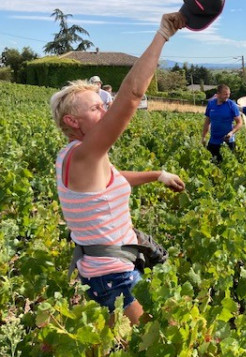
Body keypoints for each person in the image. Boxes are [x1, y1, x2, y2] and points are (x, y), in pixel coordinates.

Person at [50, 12, 187, 325]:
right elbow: (132, 96)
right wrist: (163, 33)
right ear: (73, 121)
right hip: (112, 278)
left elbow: (111, 180)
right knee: (154, 340)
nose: (106, 108)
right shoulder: (85, 154)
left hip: (113, 270)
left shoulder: (76, 156)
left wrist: (156, 176)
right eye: (97, 106)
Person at [202, 84, 243, 163]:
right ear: (218, 94)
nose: (227, 96)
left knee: (228, 164)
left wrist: (231, 133)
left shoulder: (232, 105)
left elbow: (239, 122)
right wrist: (203, 136)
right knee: (212, 164)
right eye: (225, 94)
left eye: (229, 94)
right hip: (213, 140)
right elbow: (207, 122)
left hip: (228, 141)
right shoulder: (211, 104)